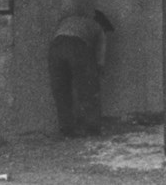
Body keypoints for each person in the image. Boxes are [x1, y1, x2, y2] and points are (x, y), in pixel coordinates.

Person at [47, 9, 115, 137]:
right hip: (78, 46)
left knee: (61, 91)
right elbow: (100, 56)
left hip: (55, 48)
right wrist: (97, 71)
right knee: (89, 89)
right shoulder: (99, 29)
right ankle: (92, 129)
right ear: (103, 24)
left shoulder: (70, 20)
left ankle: (66, 130)